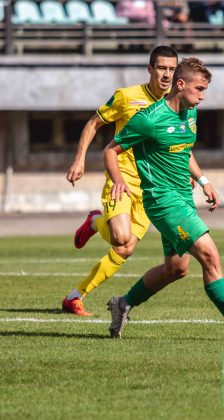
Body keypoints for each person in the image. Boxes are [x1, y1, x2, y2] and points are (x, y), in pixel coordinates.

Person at [103, 57, 224, 341]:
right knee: (210, 255)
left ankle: (123, 303)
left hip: (183, 199)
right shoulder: (149, 120)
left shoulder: (190, 112)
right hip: (163, 201)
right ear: (181, 84)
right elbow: (109, 151)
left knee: (176, 269)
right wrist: (118, 181)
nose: (202, 96)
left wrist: (203, 180)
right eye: (199, 89)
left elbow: (184, 149)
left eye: (205, 90)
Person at [61, 46, 178, 316]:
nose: (166, 74)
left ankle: (75, 296)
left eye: (172, 69)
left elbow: (176, 142)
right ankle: (95, 222)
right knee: (120, 236)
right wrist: (79, 160)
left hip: (151, 186)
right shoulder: (127, 97)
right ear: (150, 69)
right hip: (120, 179)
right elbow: (93, 123)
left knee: (124, 249)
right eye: (161, 68)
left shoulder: (175, 103)